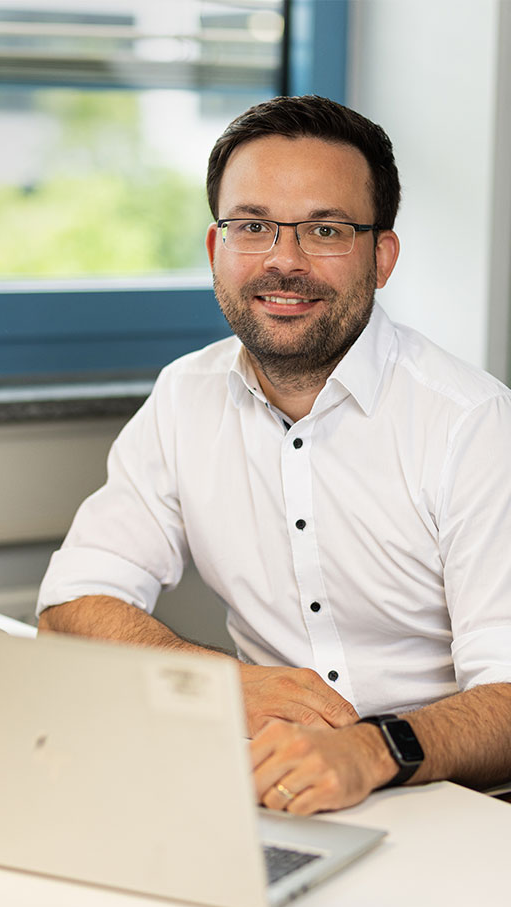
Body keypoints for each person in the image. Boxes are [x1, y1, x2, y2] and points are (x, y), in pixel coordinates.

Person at [36, 95, 511, 815]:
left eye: (325, 229)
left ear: (380, 257)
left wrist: (372, 749)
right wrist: (223, 684)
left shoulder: (472, 423)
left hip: (452, 804)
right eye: (252, 227)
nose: (284, 262)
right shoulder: (183, 397)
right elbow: (70, 610)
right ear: (214, 249)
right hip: (266, 795)